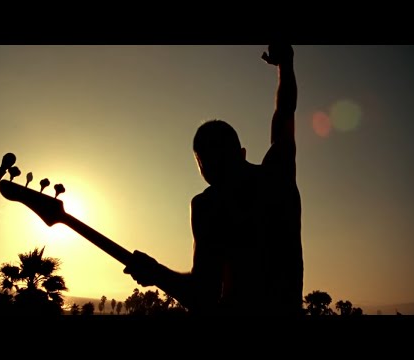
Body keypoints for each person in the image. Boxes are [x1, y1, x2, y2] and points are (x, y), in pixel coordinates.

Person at [123, 44, 303, 316]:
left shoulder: (208, 206)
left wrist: (157, 273)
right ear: (242, 153)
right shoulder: (277, 175)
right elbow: (285, 113)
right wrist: (285, 64)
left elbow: (202, 294)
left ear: (201, 168)